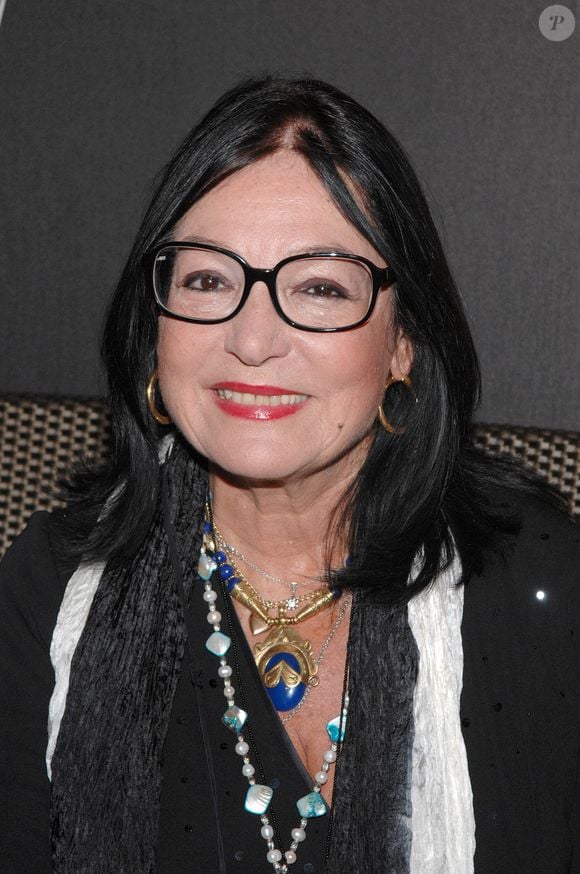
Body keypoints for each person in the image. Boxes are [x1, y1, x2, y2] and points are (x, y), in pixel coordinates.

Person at [0, 76, 579, 874]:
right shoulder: (46, 586)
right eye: (208, 279)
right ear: (155, 324)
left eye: (319, 287)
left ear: (404, 343)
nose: (252, 337)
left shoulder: (540, 584)